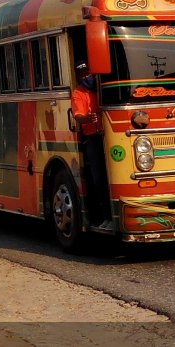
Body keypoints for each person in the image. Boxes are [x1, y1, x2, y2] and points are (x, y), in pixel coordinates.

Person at [71, 60, 112, 230]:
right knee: (98, 178)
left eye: (88, 73)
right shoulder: (78, 93)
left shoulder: (106, 86)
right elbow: (78, 115)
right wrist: (87, 119)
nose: (87, 76)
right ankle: (105, 216)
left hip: (111, 136)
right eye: (83, 74)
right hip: (93, 138)